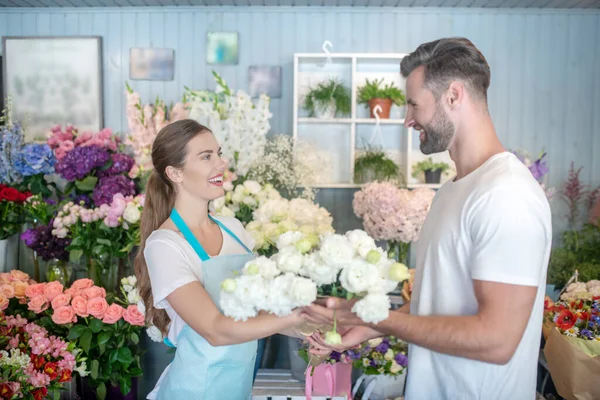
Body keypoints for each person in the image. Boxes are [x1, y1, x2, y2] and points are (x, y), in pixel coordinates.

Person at [302, 37, 553, 400]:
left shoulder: (506, 195)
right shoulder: (452, 190)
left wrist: (371, 316)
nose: (407, 120)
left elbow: (497, 341)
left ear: (453, 96)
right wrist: (371, 329)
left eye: (413, 105)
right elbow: (440, 301)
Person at [134, 119, 303, 400]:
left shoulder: (234, 229)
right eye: (206, 157)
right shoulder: (164, 245)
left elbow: (264, 309)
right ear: (175, 173)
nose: (221, 164)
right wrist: (296, 317)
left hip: (237, 390)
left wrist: (310, 332)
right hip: (193, 391)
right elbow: (214, 329)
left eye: (219, 153)